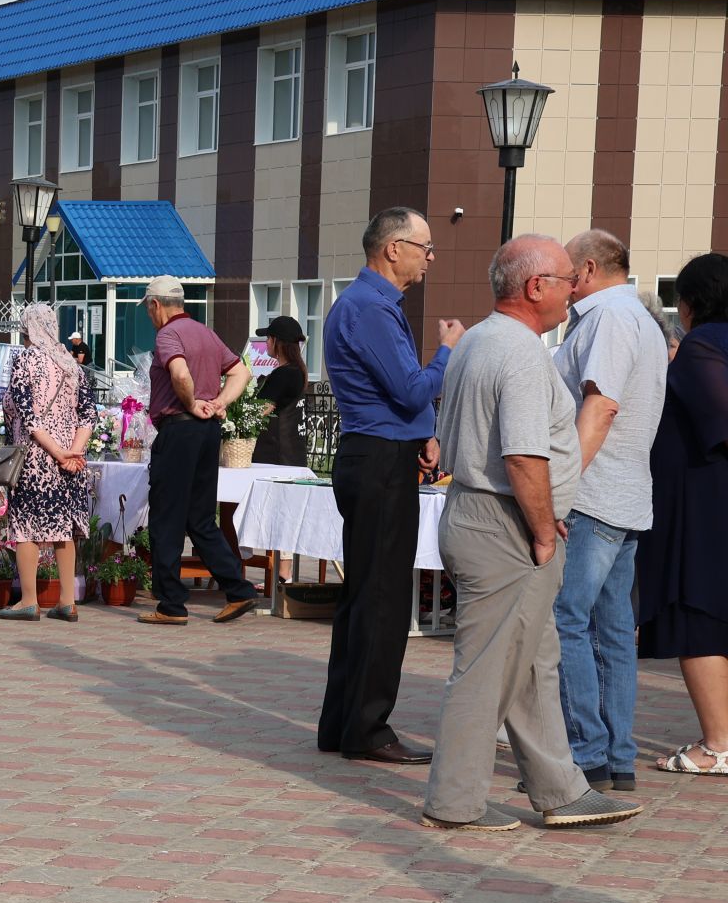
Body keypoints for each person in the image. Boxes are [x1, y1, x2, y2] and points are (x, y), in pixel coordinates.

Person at [422, 235, 640, 831]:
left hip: (485, 516)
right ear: (535, 287)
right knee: (488, 670)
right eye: (568, 278)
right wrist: (545, 532)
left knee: (534, 663)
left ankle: (561, 789)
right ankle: (455, 802)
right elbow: (523, 456)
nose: (576, 287)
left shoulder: (481, 339)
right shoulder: (518, 351)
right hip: (506, 527)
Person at [318, 207, 464, 764]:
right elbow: (408, 390)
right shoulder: (370, 308)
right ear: (392, 249)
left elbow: (399, 400)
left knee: (365, 596)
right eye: (425, 247)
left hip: (378, 452)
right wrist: (449, 349)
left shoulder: (367, 305)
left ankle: (344, 723)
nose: (431, 257)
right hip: (377, 460)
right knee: (379, 600)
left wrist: (423, 433)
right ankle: (368, 728)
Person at [551, 230, 668, 792]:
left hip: (595, 493)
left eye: (565, 275)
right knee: (614, 629)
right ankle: (615, 755)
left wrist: (561, 484)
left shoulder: (608, 318)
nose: (560, 286)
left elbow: (600, 404)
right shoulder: (639, 317)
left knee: (569, 620)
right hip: (622, 493)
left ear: (589, 269)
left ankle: (588, 751)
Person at [639, 252, 728, 777]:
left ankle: (717, 744)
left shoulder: (701, 349)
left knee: (699, 618)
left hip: (704, 509)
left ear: (691, 304)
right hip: (709, 504)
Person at [136, 277, 259, 627]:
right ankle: (239, 588)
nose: (149, 314)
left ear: (156, 305)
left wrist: (191, 403)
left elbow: (179, 372)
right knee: (200, 517)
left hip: (179, 431)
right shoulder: (204, 332)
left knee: (166, 517)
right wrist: (219, 402)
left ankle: (171, 603)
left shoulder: (168, 335)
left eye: (148, 308)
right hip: (207, 433)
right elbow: (241, 372)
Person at [0, 302, 94, 622]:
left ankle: (28, 600)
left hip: (37, 457)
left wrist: (56, 452)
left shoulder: (25, 359)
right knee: (62, 527)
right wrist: (73, 453)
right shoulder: (72, 364)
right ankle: (67, 600)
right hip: (70, 459)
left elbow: (27, 415)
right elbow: (88, 416)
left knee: (27, 528)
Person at [252, 316, 309, 467]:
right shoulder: (298, 371)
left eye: (269, 338)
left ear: (277, 341)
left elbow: (262, 409)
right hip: (294, 454)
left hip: (276, 458)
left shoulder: (284, 374)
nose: (266, 342)